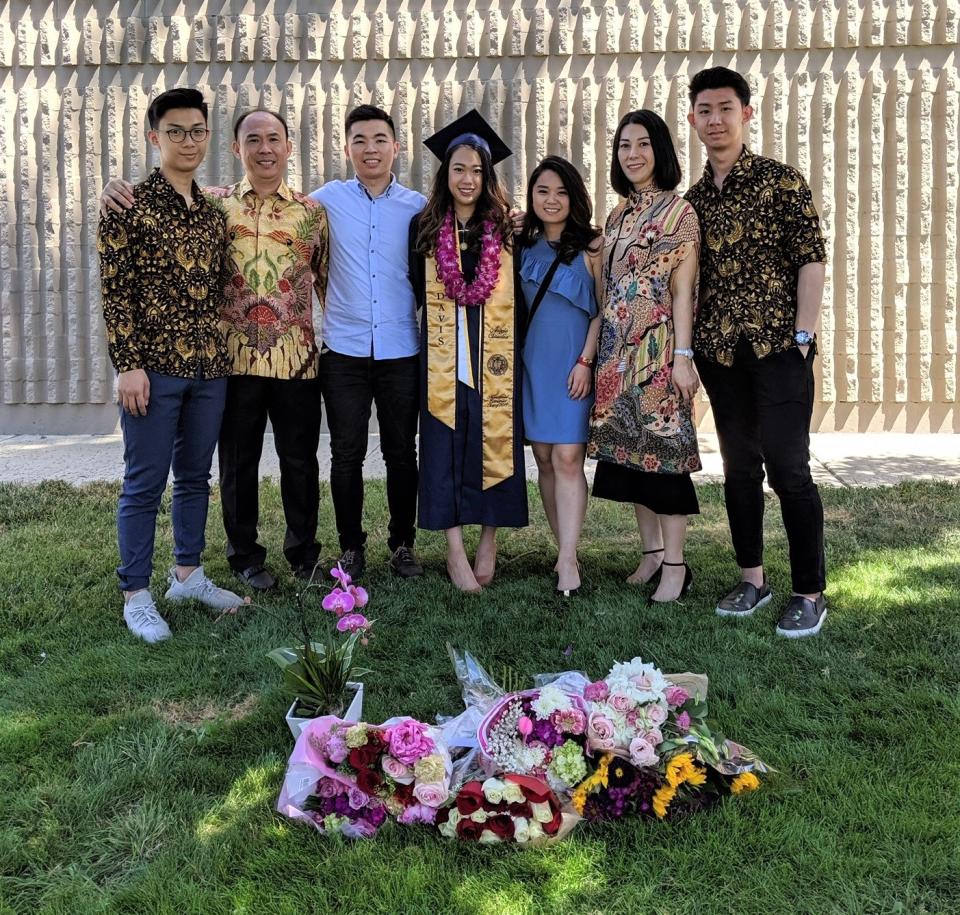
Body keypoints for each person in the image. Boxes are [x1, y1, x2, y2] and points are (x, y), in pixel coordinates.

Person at [100, 109, 329, 591]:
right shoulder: (212, 205)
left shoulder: (313, 213)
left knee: (300, 461)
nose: (265, 149)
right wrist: (112, 190)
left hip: (296, 360)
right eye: (253, 139)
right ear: (235, 148)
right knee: (237, 465)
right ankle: (245, 556)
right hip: (231, 361)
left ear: (289, 147)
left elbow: (326, 281)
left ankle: (303, 553)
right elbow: (159, 207)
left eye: (274, 139)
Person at [685, 66, 828, 638]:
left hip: (779, 349)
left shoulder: (781, 181)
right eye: (705, 110)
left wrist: (803, 337)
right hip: (720, 355)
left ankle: (809, 592)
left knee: (789, 468)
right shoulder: (693, 202)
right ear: (693, 120)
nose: (715, 120)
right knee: (740, 468)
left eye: (725, 108)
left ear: (745, 113)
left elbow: (810, 259)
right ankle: (752, 579)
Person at [98, 87, 242, 644]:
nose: (188, 141)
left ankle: (187, 575)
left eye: (198, 131)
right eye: (176, 132)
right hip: (153, 370)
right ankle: (135, 594)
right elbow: (116, 291)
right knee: (144, 481)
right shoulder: (127, 204)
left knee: (195, 477)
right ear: (155, 137)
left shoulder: (211, 211)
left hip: (209, 368)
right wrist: (128, 364)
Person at [408, 109, 528, 593]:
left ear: (487, 176)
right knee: (442, 445)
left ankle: (489, 539)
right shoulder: (422, 226)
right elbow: (416, 288)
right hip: (443, 356)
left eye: (477, 170)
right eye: (458, 168)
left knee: (494, 438)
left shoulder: (506, 229)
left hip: (496, 354)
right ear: (445, 173)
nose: (468, 179)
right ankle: (454, 548)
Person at [587, 110, 702, 604]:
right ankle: (652, 554)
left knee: (665, 459)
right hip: (617, 357)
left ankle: (676, 566)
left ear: (660, 150)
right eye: (623, 146)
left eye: (642, 144)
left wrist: (683, 357)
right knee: (634, 462)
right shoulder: (617, 216)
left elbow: (682, 292)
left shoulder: (679, 213)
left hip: (657, 358)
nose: (632, 154)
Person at [310, 105, 426, 581]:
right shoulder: (325, 200)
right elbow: (270, 204)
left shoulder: (418, 206)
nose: (370, 149)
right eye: (360, 140)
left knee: (402, 453)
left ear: (396, 146)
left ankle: (402, 544)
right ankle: (351, 548)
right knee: (346, 454)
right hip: (344, 351)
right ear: (347, 148)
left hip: (401, 349)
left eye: (380, 139)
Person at [518, 156, 602, 597]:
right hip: (534, 365)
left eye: (561, 192)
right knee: (545, 459)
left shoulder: (593, 247)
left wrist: (586, 361)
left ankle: (569, 558)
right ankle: (562, 547)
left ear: (575, 198)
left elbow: (602, 311)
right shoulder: (521, 246)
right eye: (543, 191)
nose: (552, 200)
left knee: (569, 457)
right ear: (531, 197)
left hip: (574, 366)